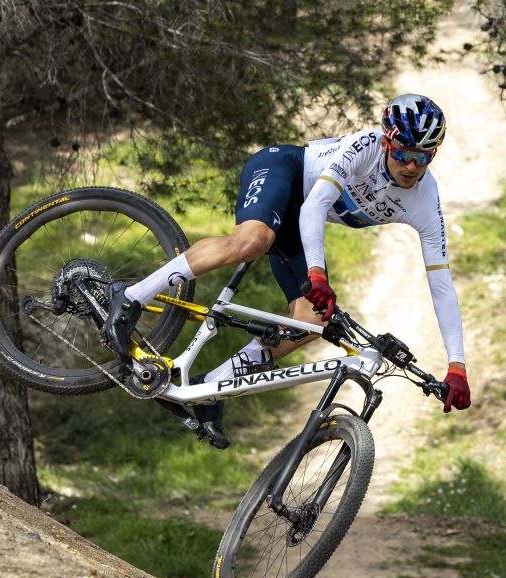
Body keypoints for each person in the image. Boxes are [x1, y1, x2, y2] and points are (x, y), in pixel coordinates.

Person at [102, 93, 471, 447]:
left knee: (313, 320)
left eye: (423, 157)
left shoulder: (425, 200)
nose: (412, 166)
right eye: (405, 153)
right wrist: (316, 274)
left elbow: (441, 284)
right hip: (284, 171)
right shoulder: (365, 146)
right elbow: (315, 205)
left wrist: (457, 365)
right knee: (252, 241)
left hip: (300, 221)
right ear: (389, 142)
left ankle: (212, 388)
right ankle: (131, 297)